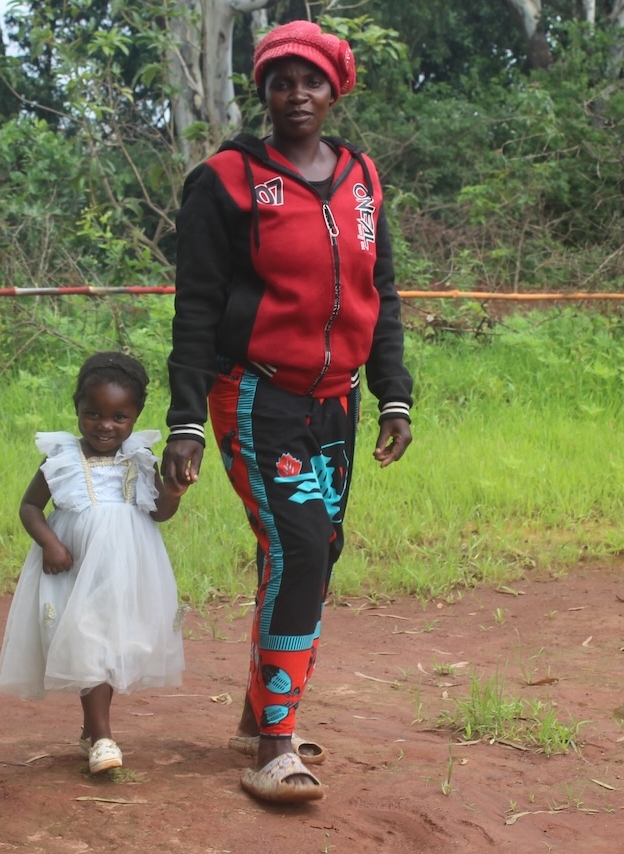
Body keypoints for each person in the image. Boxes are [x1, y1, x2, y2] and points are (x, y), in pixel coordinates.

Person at [162, 20, 414, 803]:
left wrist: (393, 392)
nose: (296, 95)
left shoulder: (362, 176)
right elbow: (197, 306)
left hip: (334, 404)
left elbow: (382, 292)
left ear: (336, 89)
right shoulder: (227, 180)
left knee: (316, 549)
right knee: (300, 548)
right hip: (256, 397)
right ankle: (274, 747)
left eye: (312, 81)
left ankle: (254, 713)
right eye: (280, 80)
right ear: (262, 90)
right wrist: (185, 419)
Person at [0, 351, 188, 775]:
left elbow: (158, 513)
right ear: (77, 410)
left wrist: (173, 492)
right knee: (86, 640)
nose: (106, 425)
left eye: (120, 416)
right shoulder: (61, 458)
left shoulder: (140, 459)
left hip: (126, 568)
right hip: (73, 566)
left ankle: (92, 732)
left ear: (136, 416)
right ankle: (102, 737)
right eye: (93, 414)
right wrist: (49, 542)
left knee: (112, 642)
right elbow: (30, 507)